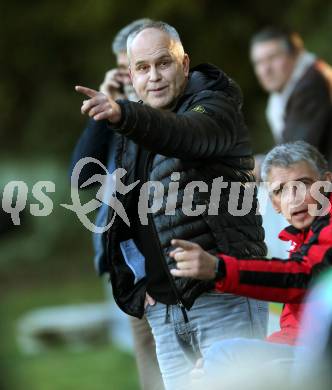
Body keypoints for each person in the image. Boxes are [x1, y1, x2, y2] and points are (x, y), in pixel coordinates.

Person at [75, 20, 268, 390]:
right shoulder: (133, 128)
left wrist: (123, 114)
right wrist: (140, 289)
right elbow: (85, 178)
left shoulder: (215, 104)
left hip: (222, 299)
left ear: (184, 64)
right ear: (130, 75)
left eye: (163, 63)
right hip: (164, 311)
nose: (155, 77)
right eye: (143, 68)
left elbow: (186, 137)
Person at [169, 141, 332, 384]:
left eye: (304, 184)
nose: (293, 198)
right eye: (280, 191)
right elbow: (296, 333)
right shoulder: (304, 238)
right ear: (275, 205)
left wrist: (218, 268)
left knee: (222, 359)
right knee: (222, 363)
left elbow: (303, 276)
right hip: (313, 353)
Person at [70, 19, 165, 390]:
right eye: (121, 67)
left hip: (161, 256)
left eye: (132, 64)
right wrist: (103, 111)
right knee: (146, 353)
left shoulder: (164, 111)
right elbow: (81, 177)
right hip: (127, 261)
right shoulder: (118, 111)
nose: (126, 75)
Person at [250, 27, 332, 172]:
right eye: (258, 62)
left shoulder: (311, 85)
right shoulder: (295, 85)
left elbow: (296, 152)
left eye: (272, 58)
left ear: (295, 54)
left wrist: (259, 164)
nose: (265, 69)